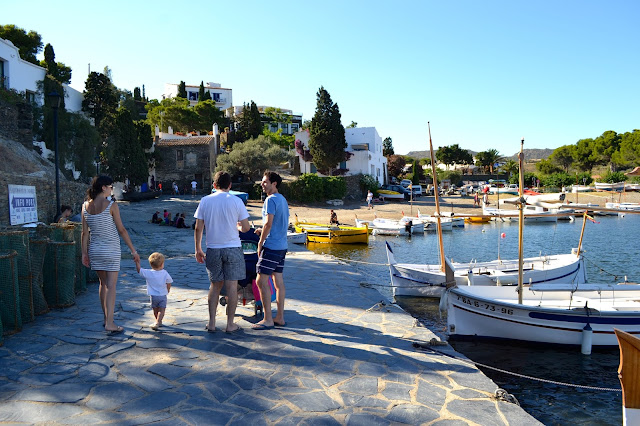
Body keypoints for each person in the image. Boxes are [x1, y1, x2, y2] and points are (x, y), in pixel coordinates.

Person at [81, 175, 140, 334]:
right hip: (111, 250)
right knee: (112, 286)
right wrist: (133, 250)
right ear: (103, 188)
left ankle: (105, 318)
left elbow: (84, 233)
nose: (112, 189)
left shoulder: (85, 206)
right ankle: (110, 323)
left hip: (95, 249)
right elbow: (121, 230)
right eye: (110, 187)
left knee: (102, 284)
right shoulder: (111, 205)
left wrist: (84, 253)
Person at [194, 171, 250, 333]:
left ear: (214, 185)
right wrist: (238, 226)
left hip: (213, 248)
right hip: (232, 247)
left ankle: (211, 323)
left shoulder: (205, 201)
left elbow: (199, 227)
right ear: (230, 186)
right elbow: (246, 228)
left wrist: (198, 249)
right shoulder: (236, 201)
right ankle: (230, 324)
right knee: (232, 286)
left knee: (215, 286)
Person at [253, 171, 289, 330]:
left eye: (265, 182)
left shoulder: (270, 200)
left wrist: (260, 242)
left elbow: (269, 223)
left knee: (261, 280)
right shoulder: (283, 199)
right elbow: (275, 224)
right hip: (282, 246)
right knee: (278, 282)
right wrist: (264, 230)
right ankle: (279, 317)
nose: (262, 184)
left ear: (274, 183)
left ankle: (267, 319)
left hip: (272, 246)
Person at [135, 252, 172, 330]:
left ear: (151, 264)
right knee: (162, 310)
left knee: (155, 309)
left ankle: (157, 321)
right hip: (162, 295)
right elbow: (169, 282)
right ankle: (159, 322)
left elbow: (139, 270)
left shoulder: (148, 273)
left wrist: (137, 262)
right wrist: (168, 289)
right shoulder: (165, 273)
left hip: (153, 296)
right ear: (162, 264)